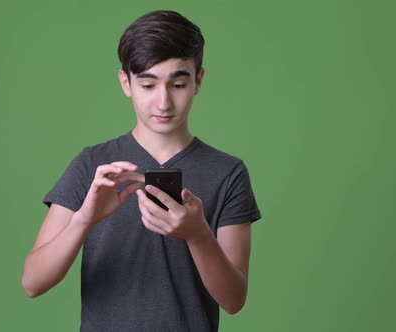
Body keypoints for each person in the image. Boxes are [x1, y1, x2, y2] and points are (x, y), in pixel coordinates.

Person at [21, 10, 261, 331]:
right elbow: (33, 282)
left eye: (177, 83)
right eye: (148, 85)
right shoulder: (92, 165)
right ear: (126, 83)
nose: (163, 102)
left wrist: (198, 234)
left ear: (198, 81)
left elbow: (234, 300)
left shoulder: (227, 173)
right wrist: (85, 219)